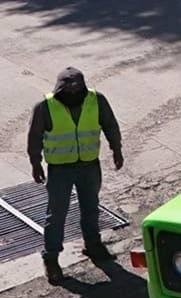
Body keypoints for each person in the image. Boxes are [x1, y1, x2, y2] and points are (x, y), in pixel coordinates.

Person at [27, 67, 123, 284]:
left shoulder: (96, 100)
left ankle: (93, 245)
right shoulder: (45, 107)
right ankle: (51, 258)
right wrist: (35, 163)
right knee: (57, 214)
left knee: (91, 207)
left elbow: (110, 125)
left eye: (77, 89)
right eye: (68, 90)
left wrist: (116, 149)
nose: (73, 94)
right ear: (59, 88)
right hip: (60, 169)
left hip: (89, 165)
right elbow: (34, 137)